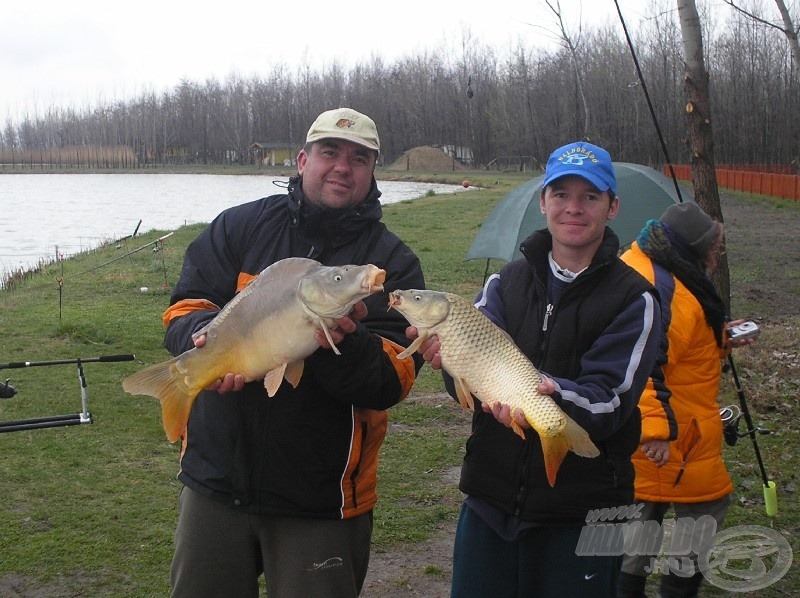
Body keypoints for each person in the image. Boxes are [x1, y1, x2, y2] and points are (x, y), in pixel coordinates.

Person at [162, 107, 425, 598]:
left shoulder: (391, 263)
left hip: (322, 498)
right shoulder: (239, 227)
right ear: (303, 160)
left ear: (373, 173)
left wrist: (338, 340)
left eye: (359, 158)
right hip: (216, 480)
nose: (342, 167)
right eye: (329, 152)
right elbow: (184, 307)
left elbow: (393, 380)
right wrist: (204, 338)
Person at [407, 141, 665, 597]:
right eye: (561, 194)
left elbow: (610, 400)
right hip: (490, 499)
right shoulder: (506, 282)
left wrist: (547, 394)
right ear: (543, 201)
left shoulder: (635, 297)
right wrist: (448, 365)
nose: (573, 208)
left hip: (582, 512)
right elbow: (469, 379)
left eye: (590, 196)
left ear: (612, 207)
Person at [617, 201, 750, 598]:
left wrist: (721, 337)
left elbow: (679, 345)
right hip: (671, 438)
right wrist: (655, 432)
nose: (714, 256)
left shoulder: (658, 267)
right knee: (701, 517)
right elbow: (642, 365)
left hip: (663, 430)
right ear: (692, 247)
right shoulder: (664, 288)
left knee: (634, 537)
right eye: (712, 247)